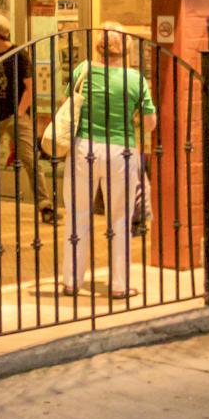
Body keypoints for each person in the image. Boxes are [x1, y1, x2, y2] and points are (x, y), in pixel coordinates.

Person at [57, 24, 154, 300]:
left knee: (77, 214)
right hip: (121, 151)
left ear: (98, 46)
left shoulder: (83, 71)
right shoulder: (135, 79)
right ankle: (119, 285)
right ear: (127, 49)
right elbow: (150, 123)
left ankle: (71, 281)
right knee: (120, 217)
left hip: (83, 148)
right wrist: (133, 118)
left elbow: (67, 103)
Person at [0, 14, 52, 222]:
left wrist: (19, 113)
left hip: (15, 115)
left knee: (30, 159)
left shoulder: (18, 55)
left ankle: (45, 205)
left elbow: (29, 87)